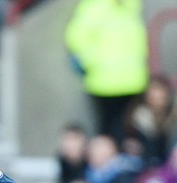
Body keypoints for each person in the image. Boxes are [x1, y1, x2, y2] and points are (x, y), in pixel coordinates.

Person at [64, 0, 149, 145]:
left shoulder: (132, 6)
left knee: (129, 133)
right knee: (107, 133)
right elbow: (75, 38)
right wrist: (91, 61)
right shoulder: (94, 6)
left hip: (133, 82)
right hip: (104, 83)